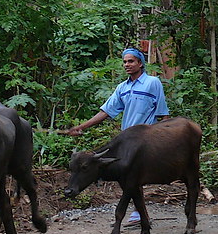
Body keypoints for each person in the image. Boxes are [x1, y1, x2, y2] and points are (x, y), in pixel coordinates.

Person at [66, 47, 169, 223]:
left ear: (140, 63)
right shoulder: (122, 87)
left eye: (131, 61)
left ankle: (138, 214)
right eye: (125, 62)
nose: (127, 65)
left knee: (134, 177)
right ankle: (140, 214)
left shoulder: (153, 83)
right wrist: (81, 126)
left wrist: (164, 137)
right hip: (127, 139)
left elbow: (162, 113)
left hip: (147, 138)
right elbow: (106, 111)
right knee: (130, 176)